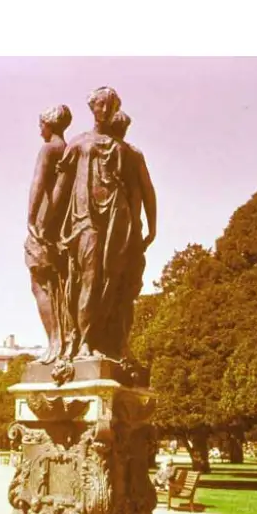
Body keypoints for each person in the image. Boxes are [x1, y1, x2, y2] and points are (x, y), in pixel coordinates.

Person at [49, 88, 157, 361]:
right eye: (101, 104)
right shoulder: (79, 143)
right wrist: (43, 226)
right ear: (92, 107)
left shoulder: (126, 150)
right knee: (90, 278)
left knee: (112, 282)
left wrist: (151, 225)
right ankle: (84, 342)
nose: (106, 110)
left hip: (116, 221)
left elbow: (145, 190)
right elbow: (61, 188)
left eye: (111, 105)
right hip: (85, 220)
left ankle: (106, 342)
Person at [25, 104, 73, 363]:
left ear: (49, 125)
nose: (39, 128)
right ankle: (63, 341)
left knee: (40, 284)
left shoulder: (48, 149)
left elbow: (38, 182)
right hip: (61, 226)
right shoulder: (69, 151)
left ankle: (55, 342)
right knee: (59, 288)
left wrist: (32, 218)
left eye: (41, 123)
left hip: (45, 223)